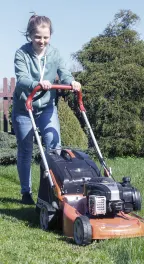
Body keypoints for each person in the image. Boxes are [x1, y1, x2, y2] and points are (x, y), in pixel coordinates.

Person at [12, 14, 81, 205]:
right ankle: (26, 192)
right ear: (30, 35)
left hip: (47, 108)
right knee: (25, 150)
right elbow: (22, 77)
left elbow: (64, 73)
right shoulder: (21, 54)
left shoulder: (55, 54)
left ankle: (51, 188)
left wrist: (71, 82)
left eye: (45, 37)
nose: (42, 41)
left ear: (50, 36)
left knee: (54, 145)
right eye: (37, 37)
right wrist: (37, 83)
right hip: (24, 108)